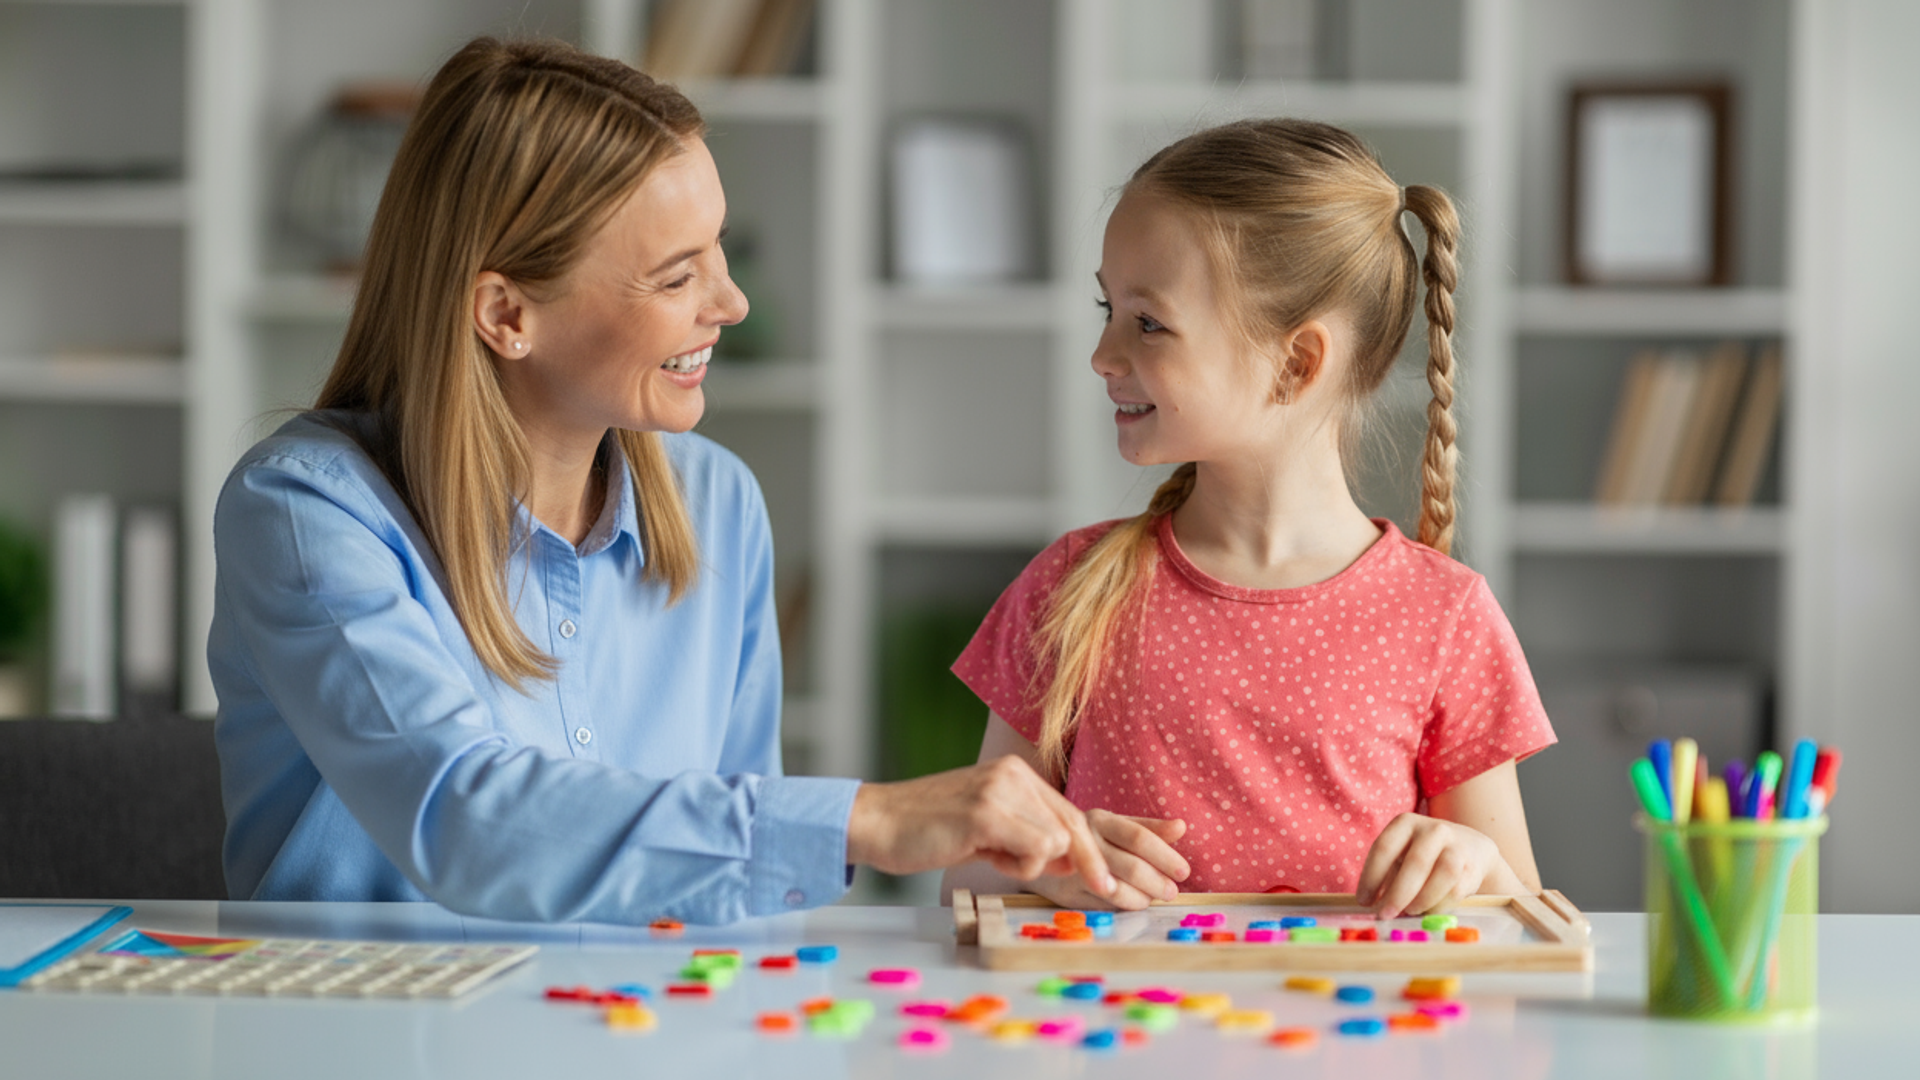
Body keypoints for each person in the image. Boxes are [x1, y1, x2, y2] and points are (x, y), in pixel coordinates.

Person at [210, 37, 1117, 925]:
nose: (731, 303)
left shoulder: (718, 504)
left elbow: (729, 879)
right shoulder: (307, 511)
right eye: (679, 274)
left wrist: (1033, 851)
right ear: (506, 313)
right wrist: (870, 819)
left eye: (717, 251)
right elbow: (462, 817)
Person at [942, 120, 1556, 918]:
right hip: (1118, 1038)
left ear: (1297, 362)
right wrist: (1044, 866)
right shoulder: (1068, 588)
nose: (1103, 353)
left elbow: (1525, 914)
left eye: (1148, 322)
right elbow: (963, 882)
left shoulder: (1447, 616)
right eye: (1108, 308)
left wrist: (1473, 867)